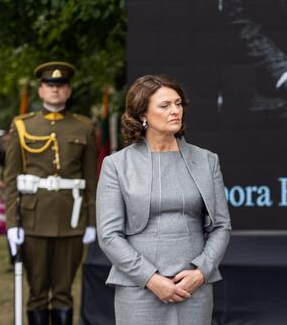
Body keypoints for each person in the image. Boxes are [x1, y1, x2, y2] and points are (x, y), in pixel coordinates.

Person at [97, 75, 231, 325]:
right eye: (165, 105)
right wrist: (150, 279)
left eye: (178, 104)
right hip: (139, 287)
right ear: (142, 114)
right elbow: (109, 235)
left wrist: (201, 272)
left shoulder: (206, 160)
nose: (175, 111)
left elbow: (221, 226)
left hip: (193, 287)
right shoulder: (116, 165)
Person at [4, 62, 98, 325]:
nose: (55, 90)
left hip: (71, 219)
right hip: (33, 220)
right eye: (50, 85)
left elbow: (91, 179)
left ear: (68, 91)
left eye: (61, 86)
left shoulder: (84, 127)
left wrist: (92, 221)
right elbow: (11, 180)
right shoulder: (22, 126)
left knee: (63, 292)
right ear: (40, 90)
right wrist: (12, 224)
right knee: (36, 292)